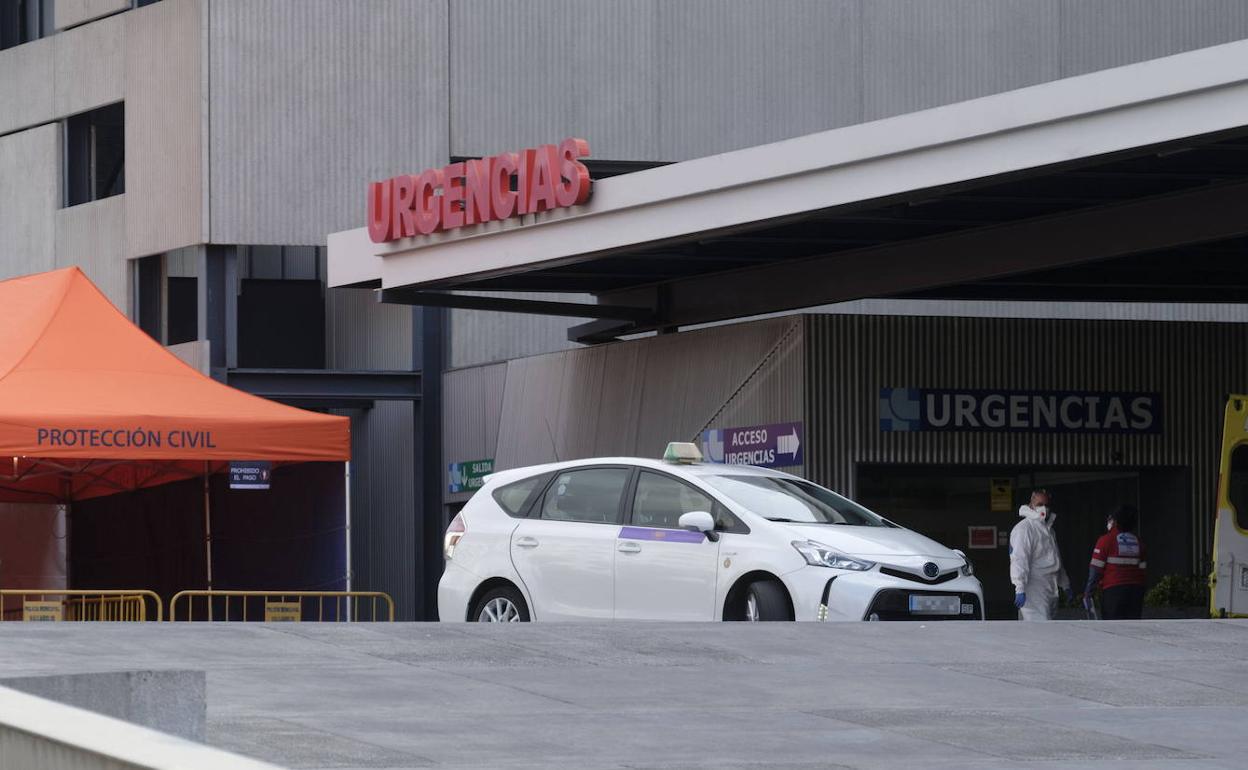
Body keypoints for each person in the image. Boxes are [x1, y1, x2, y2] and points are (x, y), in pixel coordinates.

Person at [1009, 489, 1072, 621]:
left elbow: (1056, 559)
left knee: (1037, 631)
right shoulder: (1024, 529)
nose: (1044, 508)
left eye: (1046, 504)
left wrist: (1065, 584)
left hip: (1050, 587)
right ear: (1031, 505)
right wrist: (1019, 587)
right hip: (1034, 587)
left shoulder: (1048, 530)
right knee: (1041, 631)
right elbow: (1019, 560)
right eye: (1039, 504)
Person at [1084, 504, 1147, 620]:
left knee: (1113, 629)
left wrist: (1088, 593)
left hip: (1113, 592)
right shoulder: (1139, 542)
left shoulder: (1106, 541)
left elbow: (1095, 570)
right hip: (1135, 592)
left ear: (1115, 521)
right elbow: (1142, 571)